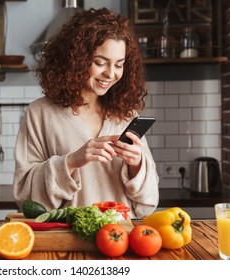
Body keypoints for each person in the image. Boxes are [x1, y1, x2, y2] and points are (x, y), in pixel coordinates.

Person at [13, 8, 159, 219]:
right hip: (64, 242)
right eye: (100, 62)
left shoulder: (126, 114)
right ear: (77, 59)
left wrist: (136, 165)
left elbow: (149, 202)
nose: (110, 73)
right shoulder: (40, 114)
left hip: (118, 240)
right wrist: (72, 161)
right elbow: (25, 196)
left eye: (119, 65)